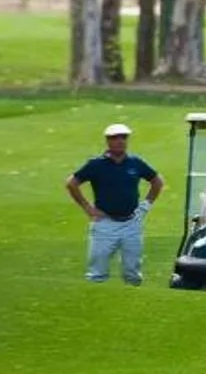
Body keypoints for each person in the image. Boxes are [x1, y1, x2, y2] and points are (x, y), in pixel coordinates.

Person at [67, 122, 164, 286]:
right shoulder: (96, 164)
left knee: (132, 272)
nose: (120, 141)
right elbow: (71, 183)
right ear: (108, 141)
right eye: (115, 138)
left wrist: (145, 206)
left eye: (123, 137)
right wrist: (88, 208)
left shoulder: (135, 162)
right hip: (105, 224)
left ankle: (131, 301)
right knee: (97, 273)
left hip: (132, 223)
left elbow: (157, 182)